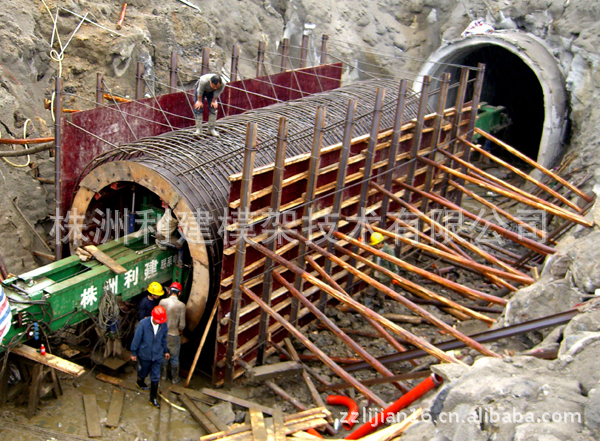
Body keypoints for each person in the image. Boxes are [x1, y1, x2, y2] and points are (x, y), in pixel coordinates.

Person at [131, 305, 170, 408]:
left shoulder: (163, 325)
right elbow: (137, 339)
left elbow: (164, 339)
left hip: (157, 355)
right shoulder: (143, 324)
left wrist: (166, 351)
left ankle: (153, 398)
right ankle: (140, 381)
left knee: (155, 376)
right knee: (143, 371)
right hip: (145, 354)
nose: (158, 322)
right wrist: (133, 352)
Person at [159, 281, 186, 384]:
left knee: (163, 356)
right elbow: (182, 325)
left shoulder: (162, 302)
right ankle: (175, 379)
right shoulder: (181, 306)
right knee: (174, 358)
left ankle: (163, 376)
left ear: (169, 291)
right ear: (179, 293)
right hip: (174, 335)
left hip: (162, 334)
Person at [193, 73, 226, 138]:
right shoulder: (203, 81)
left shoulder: (223, 83)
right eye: (213, 86)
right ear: (210, 81)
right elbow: (200, 91)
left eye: (216, 87)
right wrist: (199, 101)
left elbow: (217, 92)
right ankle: (198, 129)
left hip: (212, 93)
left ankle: (211, 129)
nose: (214, 88)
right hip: (201, 90)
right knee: (198, 107)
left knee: (214, 108)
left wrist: (213, 101)